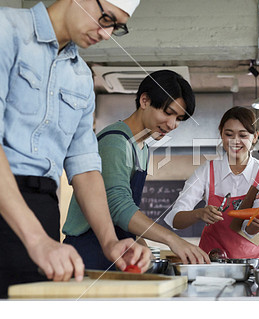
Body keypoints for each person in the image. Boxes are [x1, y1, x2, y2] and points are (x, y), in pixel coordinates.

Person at [0, 0, 150, 298]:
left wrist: (109, 242)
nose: (106, 33)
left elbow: (85, 167)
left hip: (42, 207)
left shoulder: (80, 76)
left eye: (116, 26)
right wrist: (36, 239)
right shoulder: (7, 30)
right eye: (105, 17)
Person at [63, 70, 210, 269]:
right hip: (89, 250)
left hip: (119, 250)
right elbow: (118, 206)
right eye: (168, 113)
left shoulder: (143, 147)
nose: (172, 124)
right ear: (144, 100)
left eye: (179, 119)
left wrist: (144, 249)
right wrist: (173, 240)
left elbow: (127, 212)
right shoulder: (115, 142)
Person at [164, 106, 259, 259]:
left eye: (243, 135)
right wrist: (198, 213)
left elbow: (248, 229)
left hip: (252, 262)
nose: (235, 141)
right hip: (211, 259)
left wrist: (257, 224)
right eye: (229, 134)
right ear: (221, 135)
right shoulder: (207, 171)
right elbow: (175, 219)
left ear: (255, 137)